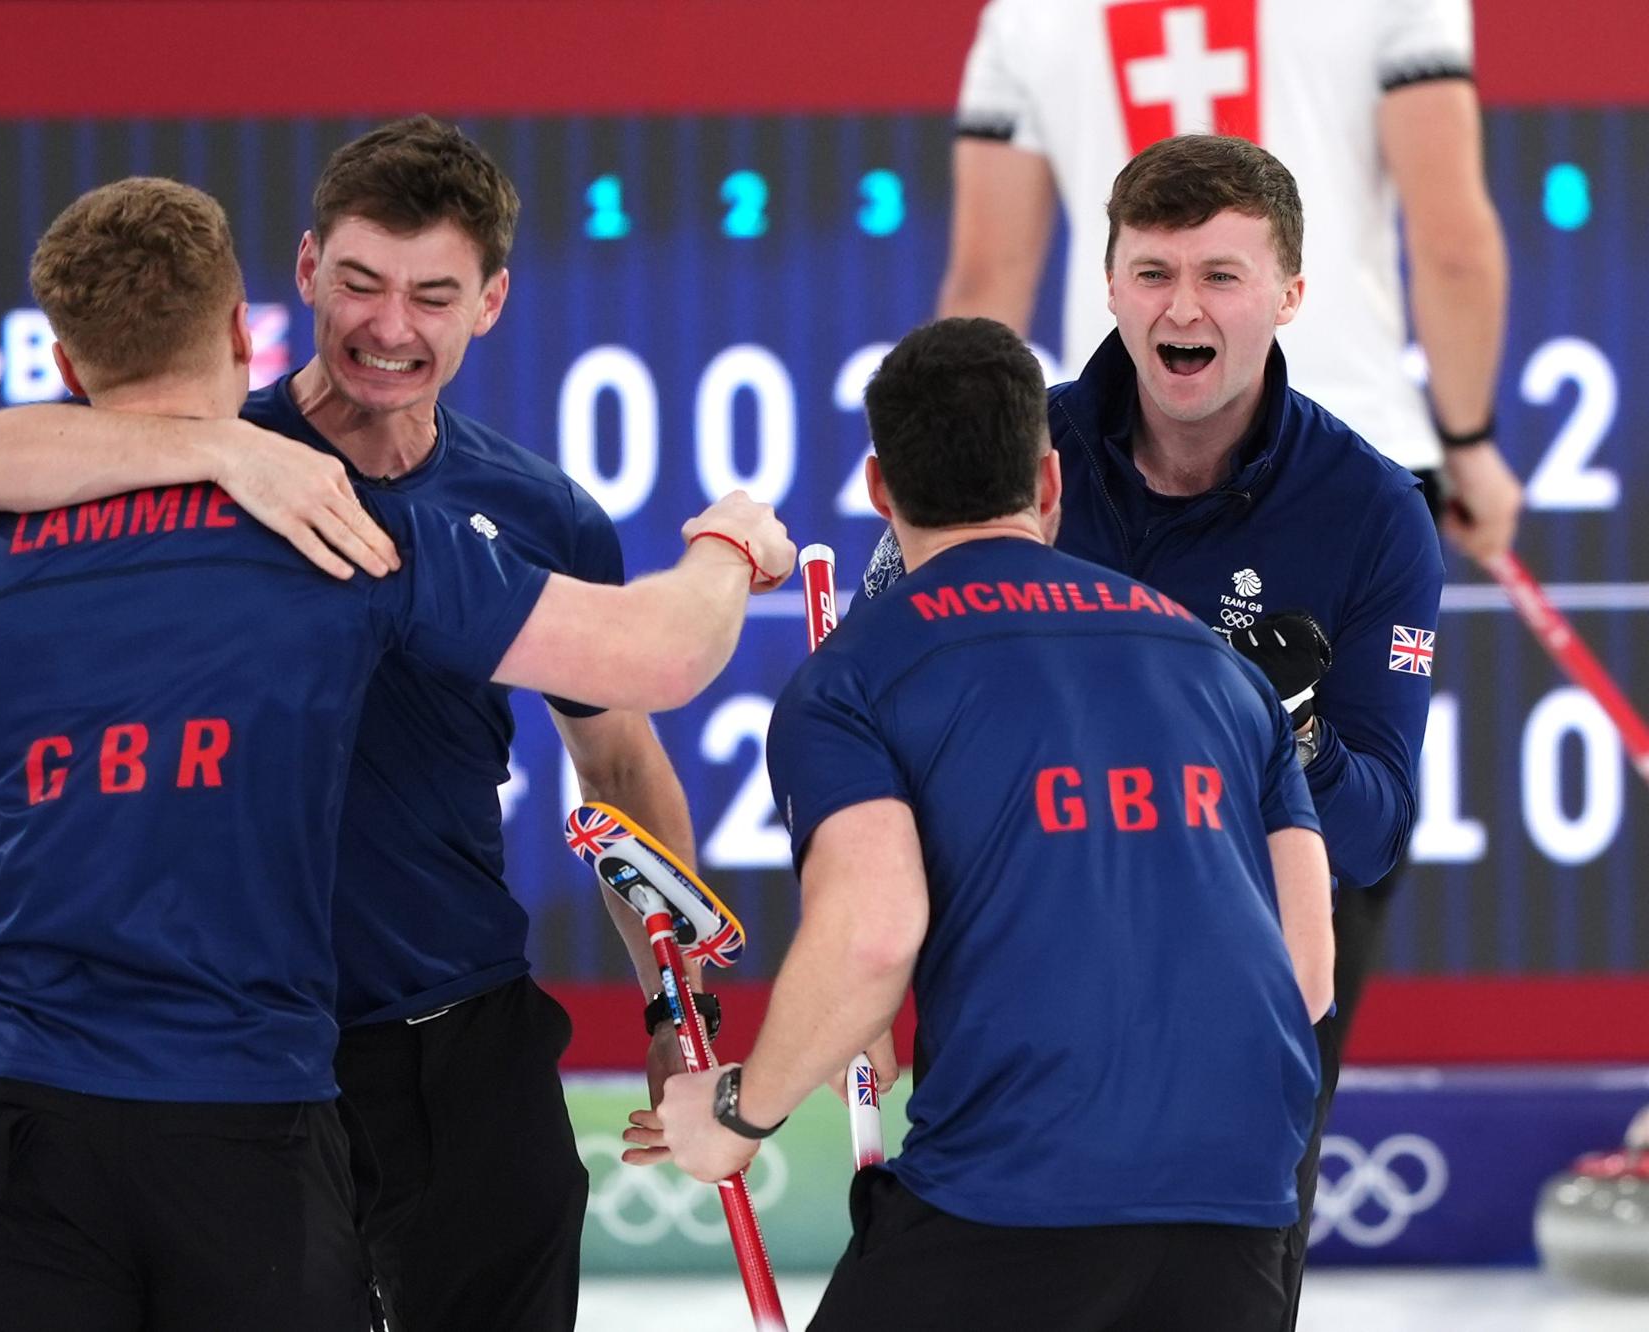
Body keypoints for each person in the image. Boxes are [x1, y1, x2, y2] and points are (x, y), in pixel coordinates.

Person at [0, 175, 794, 1329]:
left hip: (406, 1051)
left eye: (433, 294)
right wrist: (731, 543)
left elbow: (621, 765)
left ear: (490, 302)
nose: (390, 326)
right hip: (260, 1091)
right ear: (285, 291)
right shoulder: (344, 527)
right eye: (362, 284)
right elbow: (668, 653)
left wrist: (676, 1013)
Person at [638, 316, 1334, 1331]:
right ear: (1049, 484)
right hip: (1238, 1211)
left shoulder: (854, 677)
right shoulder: (1218, 670)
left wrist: (738, 1114)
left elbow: (871, 934)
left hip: (1008, 1200)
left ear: (880, 491)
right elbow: (1303, 974)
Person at [872, 134, 1446, 1326]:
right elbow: (890, 706)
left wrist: (1286, 730)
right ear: (1108, 280)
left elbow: (1375, 830)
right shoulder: (1015, 457)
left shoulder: (1373, 511)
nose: (1181, 309)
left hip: (1247, 943)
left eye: (1220, 276)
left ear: (1288, 294)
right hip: (1021, 928)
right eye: (1151, 272)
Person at [938, 0, 1517, 1047]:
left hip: (1091, 467)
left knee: (1065, 858)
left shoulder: (1024, 14)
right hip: (1349, 462)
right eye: (1156, 272)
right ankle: (1255, 1193)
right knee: (1312, 873)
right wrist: (1468, 436)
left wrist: (953, 480)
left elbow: (983, 283)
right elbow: (1451, 240)